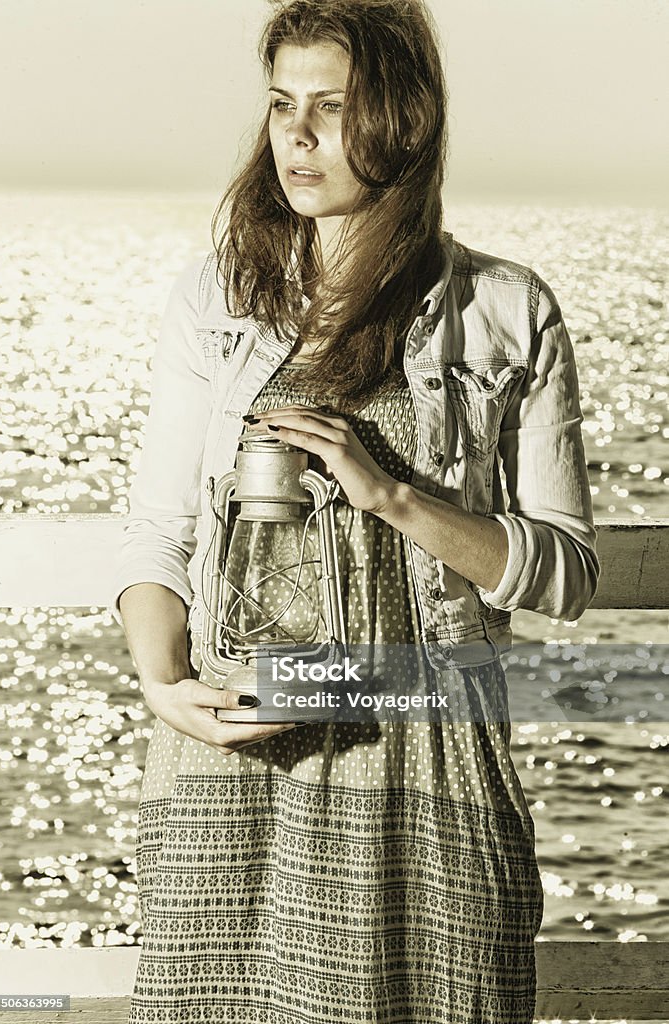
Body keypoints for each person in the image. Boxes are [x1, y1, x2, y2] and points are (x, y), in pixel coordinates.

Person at [111, 1, 600, 1021]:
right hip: (234, 758)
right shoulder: (214, 299)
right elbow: (158, 532)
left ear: (402, 123)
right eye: (282, 104)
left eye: (330, 108)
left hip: (425, 750)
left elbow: (561, 573)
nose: (295, 134)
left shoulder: (507, 309)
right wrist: (164, 683)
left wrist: (394, 496)